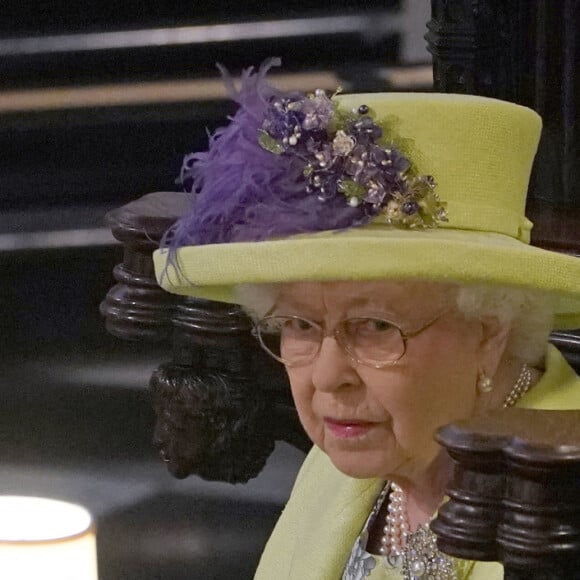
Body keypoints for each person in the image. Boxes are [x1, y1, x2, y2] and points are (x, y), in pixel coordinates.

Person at [153, 61, 580, 579]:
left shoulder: (559, 503)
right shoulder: (350, 461)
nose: (329, 377)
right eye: (300, 325)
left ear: (491, 330)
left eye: (375, 326)